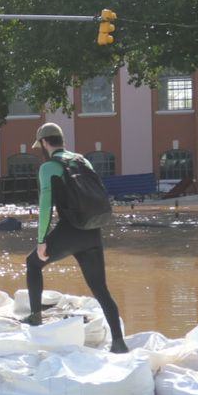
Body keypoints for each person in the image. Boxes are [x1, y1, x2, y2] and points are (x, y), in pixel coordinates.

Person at [24, 122, 128, 353]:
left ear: (43, 142)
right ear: (61, 140)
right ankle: (119, 343)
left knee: (32, 263)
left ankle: (35, 318)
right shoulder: (83, 160)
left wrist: (41, 241)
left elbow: (45, 207)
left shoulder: (48, 167)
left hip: (69, 231)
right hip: (92, 231)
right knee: (101, 289)